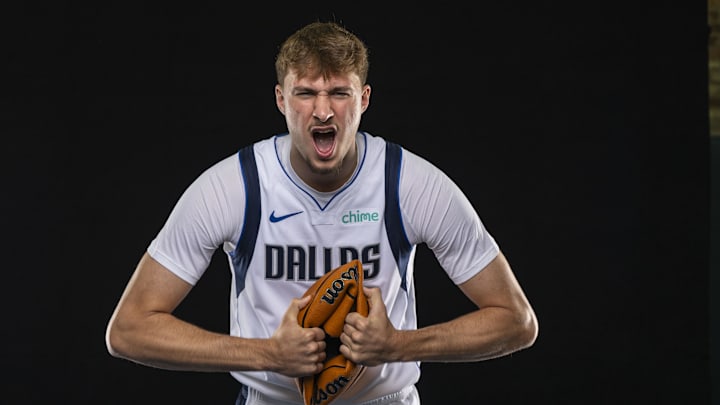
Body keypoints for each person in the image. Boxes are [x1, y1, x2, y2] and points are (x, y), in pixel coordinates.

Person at [105, 20, 538, 405]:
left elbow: (517, 321)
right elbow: (128, 330)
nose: (324, 110)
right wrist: (267, 354)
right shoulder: (234, 186)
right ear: (280, 99)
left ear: (364, 98)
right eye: (306, 92)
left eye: (339, 93)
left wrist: (398, 344)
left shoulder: (410, 184)